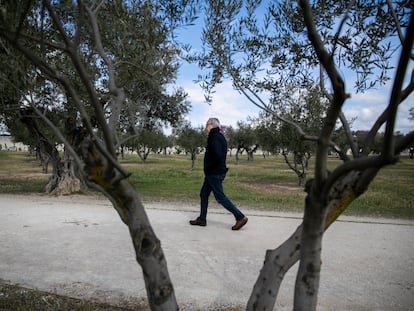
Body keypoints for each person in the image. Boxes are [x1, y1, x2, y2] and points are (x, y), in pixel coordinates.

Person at [189, 118, 248, 230]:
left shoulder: (215, 137)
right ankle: (202, 219)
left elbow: (217, 155)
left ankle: (240, 217)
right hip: (213, 172)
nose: (205, 126)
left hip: (214, 173)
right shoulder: (218, 136)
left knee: (220, 197)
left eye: (207, 124)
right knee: (204, 194)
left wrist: (209, 167)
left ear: (212, 125)